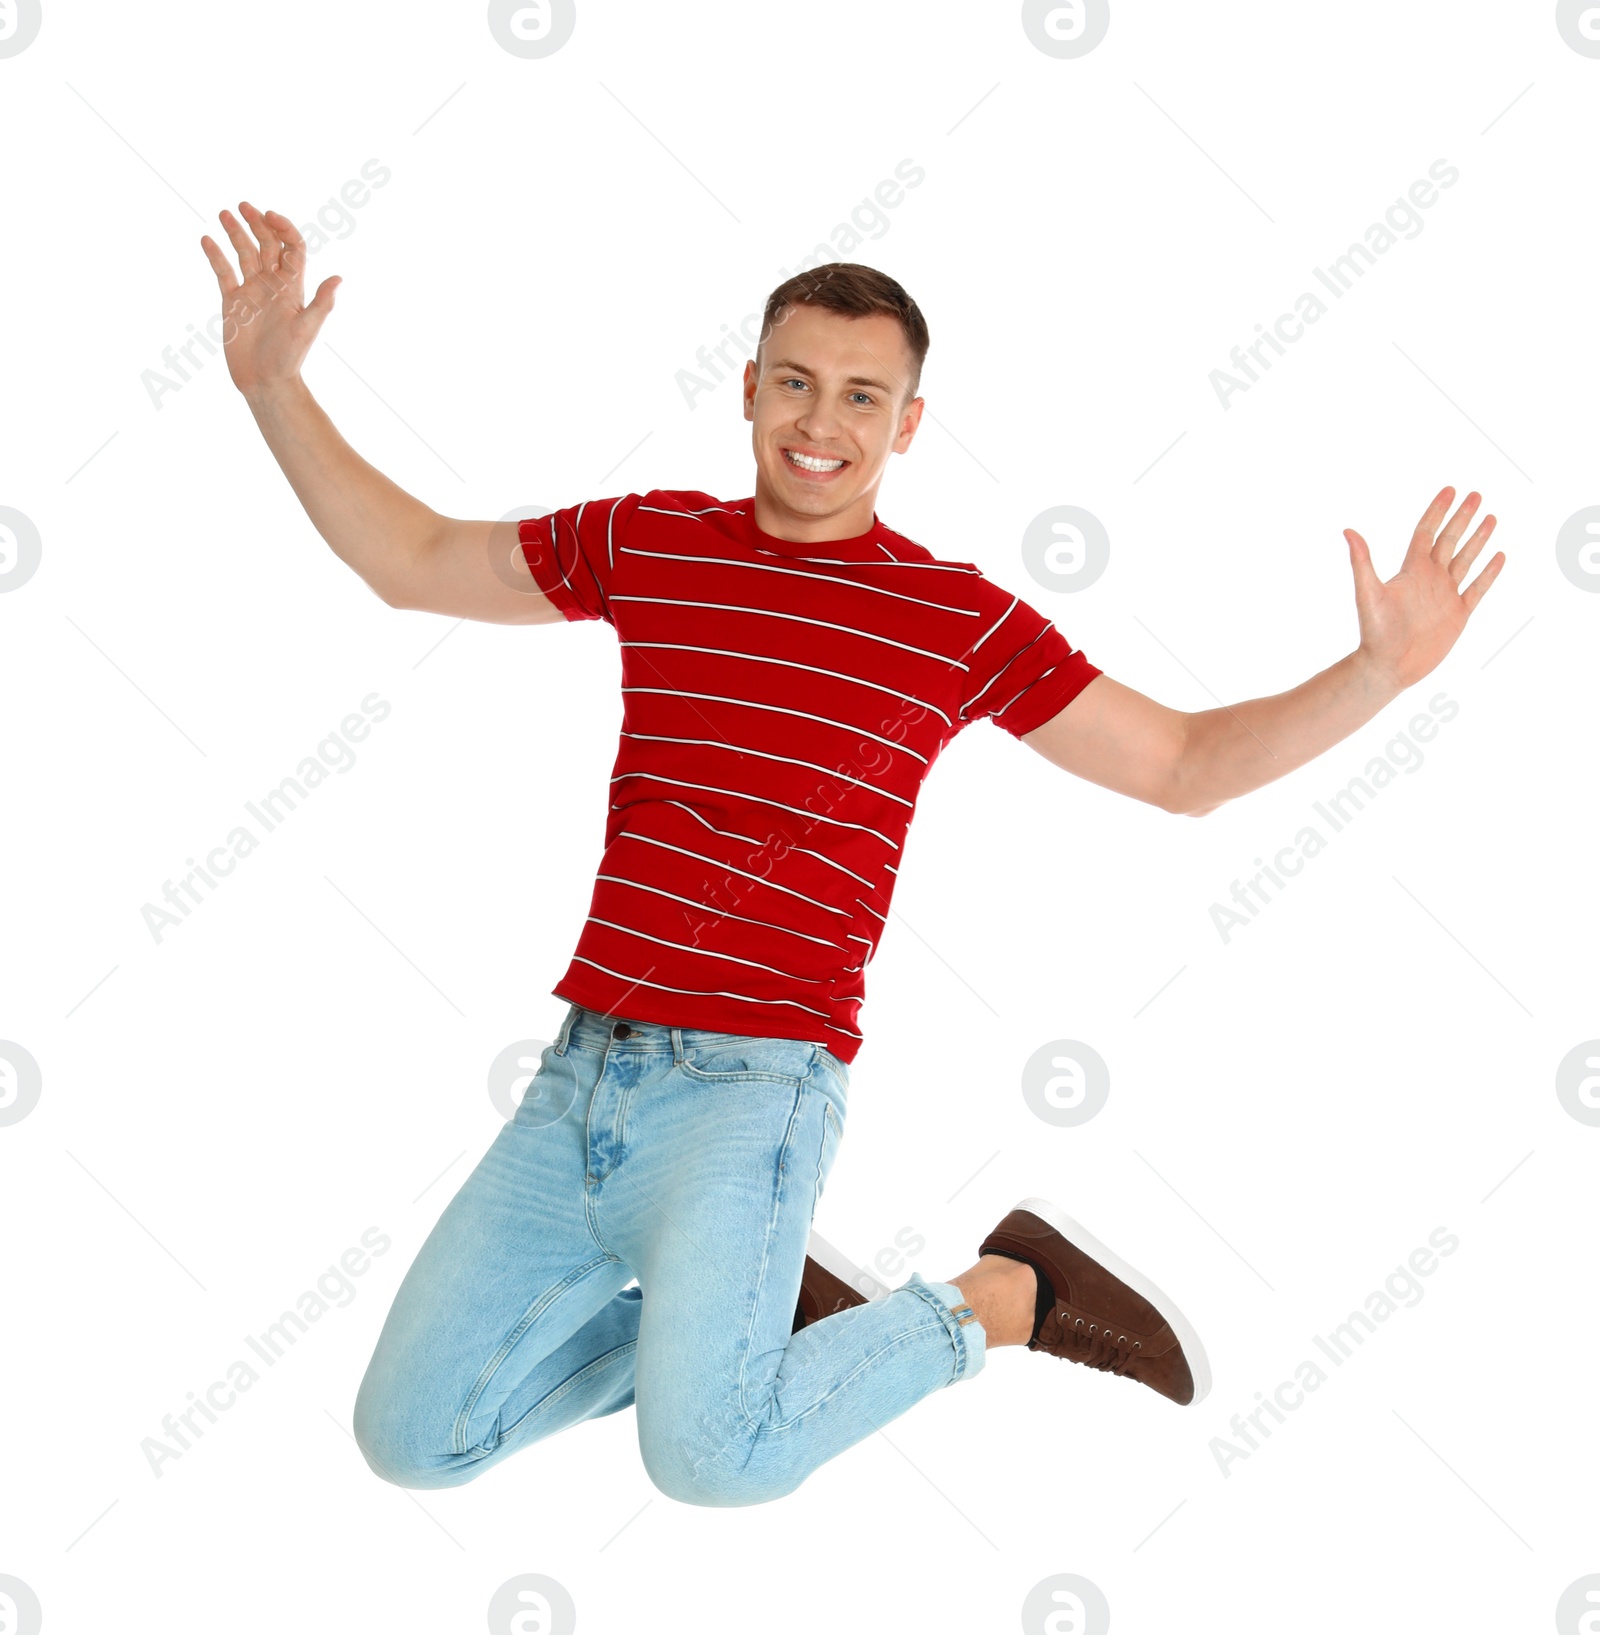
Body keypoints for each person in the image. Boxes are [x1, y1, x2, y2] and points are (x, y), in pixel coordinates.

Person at [200, 201, 1504, 1506]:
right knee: (412, 1438)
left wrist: (1378, 673)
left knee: (713, 1462)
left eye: (863, 397)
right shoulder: (646, 543)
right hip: (581, 1080)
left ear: (909, 423)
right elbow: (412, 558)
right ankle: (730, 1324)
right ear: (751, 389)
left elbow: (1181, 766)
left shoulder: (954, 620)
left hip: (751, 1099)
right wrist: (272, 387)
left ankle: (1003, 1296)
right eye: (796, 385)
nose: (822, 426)